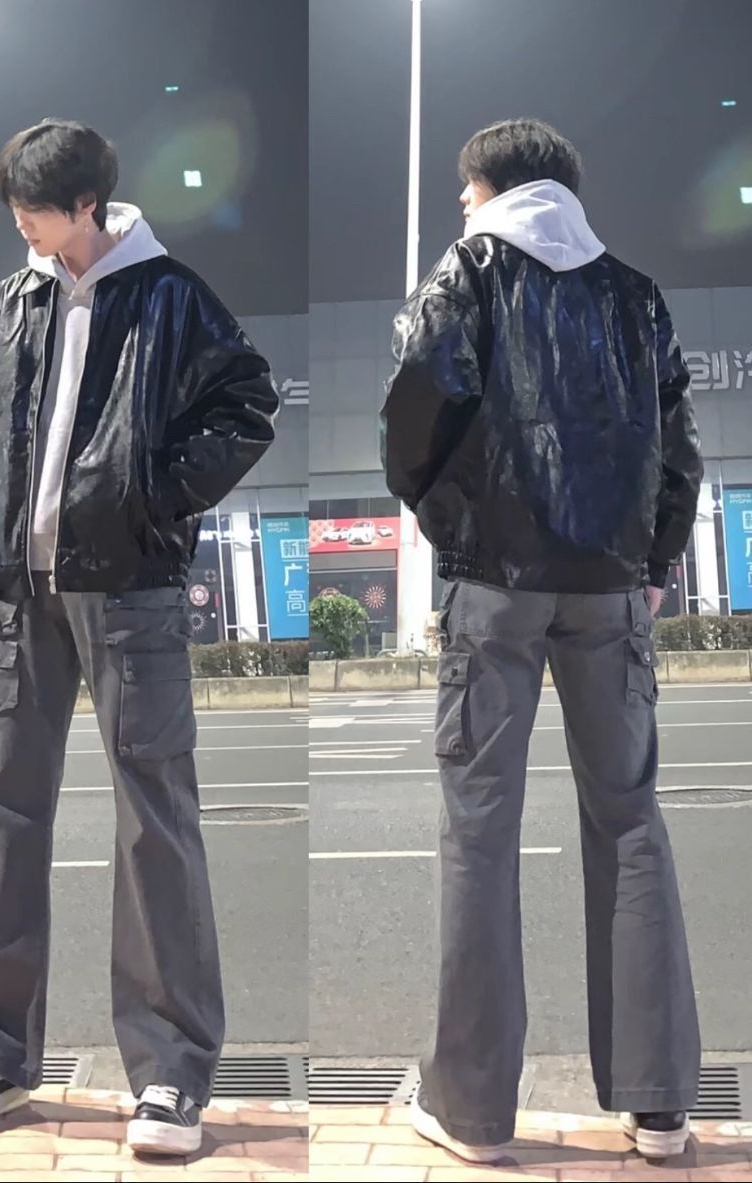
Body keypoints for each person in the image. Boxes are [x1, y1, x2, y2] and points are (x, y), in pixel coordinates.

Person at [0, 119, 278, 1155]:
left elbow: (247, 406)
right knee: (8, 814)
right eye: (15, 211)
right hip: (18, 595)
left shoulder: (170, 296)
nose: (22, 227)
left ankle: (170, 1072)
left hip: (132, 592)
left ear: (85, 204)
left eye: (34, 211)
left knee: (153, 822)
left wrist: (151, 498)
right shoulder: (15, 299)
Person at [381, 118, 703, 1164]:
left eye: (464, 189)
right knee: (630, 822)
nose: (460, 205)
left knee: (480, 832)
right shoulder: (633, 294)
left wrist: (456, 526)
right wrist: (651, 559)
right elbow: (675, 447)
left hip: (496, 586)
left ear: (491, 186)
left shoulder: (468, 274)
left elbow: (412, 413)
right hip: (610, 588)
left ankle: (473, 1113)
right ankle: (659, 1105)